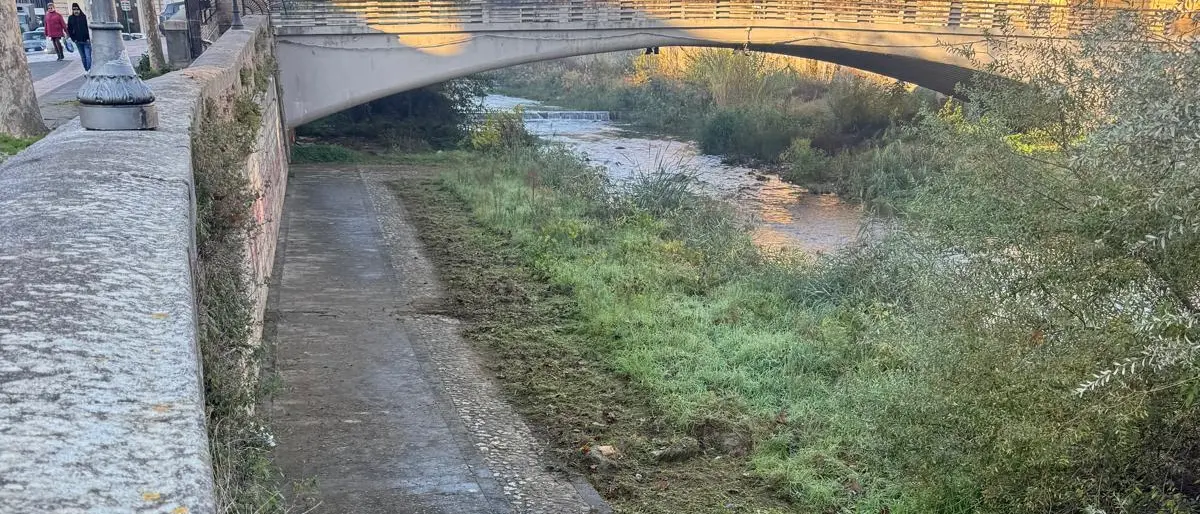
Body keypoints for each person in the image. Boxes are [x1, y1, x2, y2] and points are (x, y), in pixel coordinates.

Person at [67, 3, 91, 71]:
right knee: (83, 57)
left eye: (77, 9)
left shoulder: (84, 17)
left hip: (86, 40)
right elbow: (69, 29)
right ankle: (86, 70)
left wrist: (88, 38)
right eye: (74, 9)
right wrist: (73, 39)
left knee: (88, 56)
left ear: (79, 9)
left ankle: (89, 69)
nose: (76, 11)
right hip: (78, 41)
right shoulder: (71, 18)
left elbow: (87, 28)